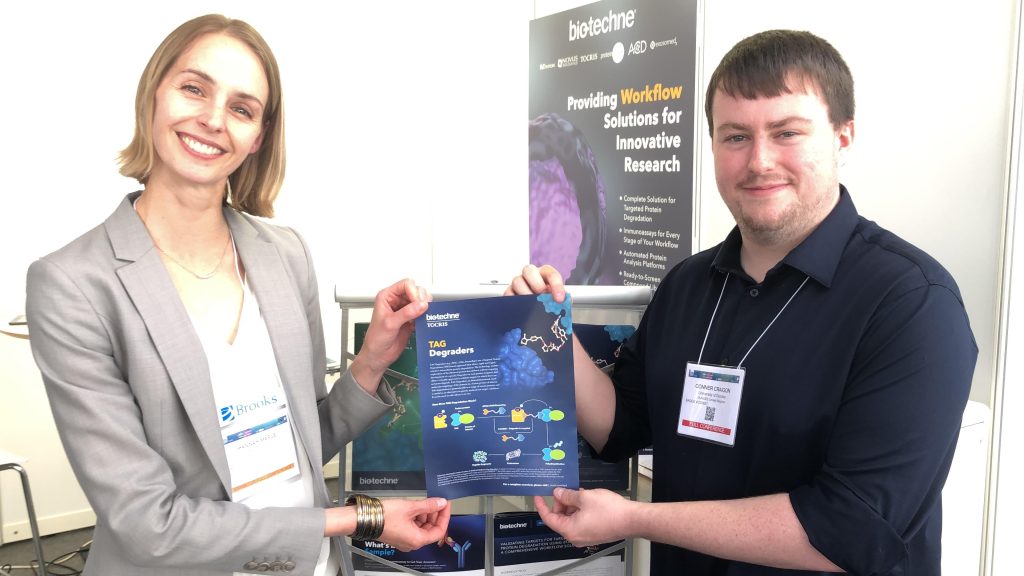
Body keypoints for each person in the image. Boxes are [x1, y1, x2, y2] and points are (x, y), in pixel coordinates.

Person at [508, 29, 977, 575]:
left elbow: (849, 529)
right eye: (735, 137)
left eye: (786, 133)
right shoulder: (687, 285)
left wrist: (635, 518)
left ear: (843, 138)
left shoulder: (913, 305)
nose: (759, 161)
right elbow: (621, 428)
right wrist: (549, 328)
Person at [26, 14, 449, 576]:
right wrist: (356, 519)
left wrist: (372, 361)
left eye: (242, 108)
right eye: (194, 88)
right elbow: (149, 523)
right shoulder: (72, 284)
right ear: (154, 92)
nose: (212, 119)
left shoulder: (285, 253)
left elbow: (301, 444)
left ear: (258, 138)